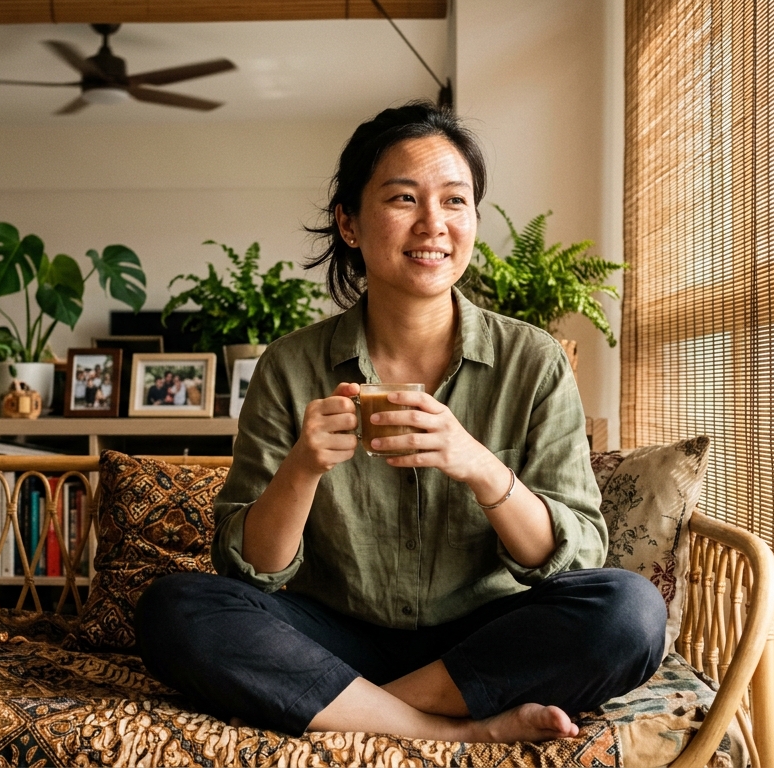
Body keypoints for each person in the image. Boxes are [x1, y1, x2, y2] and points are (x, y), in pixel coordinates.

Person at [134, 102, 665, 744]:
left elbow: (575, 550)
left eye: (454, 201)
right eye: (404, 198)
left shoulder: (533, 360)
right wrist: (303, 469)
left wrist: (477, 464)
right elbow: (249, 570)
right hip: (332, 637)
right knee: (175, 610)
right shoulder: (290, 366)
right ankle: (454, 730)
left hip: (485, 639)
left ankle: (358, 710)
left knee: (631, 612)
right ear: (350, 224)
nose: (432, 224)